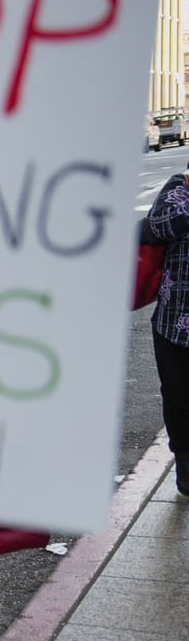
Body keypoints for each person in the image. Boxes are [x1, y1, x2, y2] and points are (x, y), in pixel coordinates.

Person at [147, 174, 189, 494]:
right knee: (177, 401)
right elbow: (162, 222)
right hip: (173, 326)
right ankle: (186, 469)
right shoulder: (177, 189)